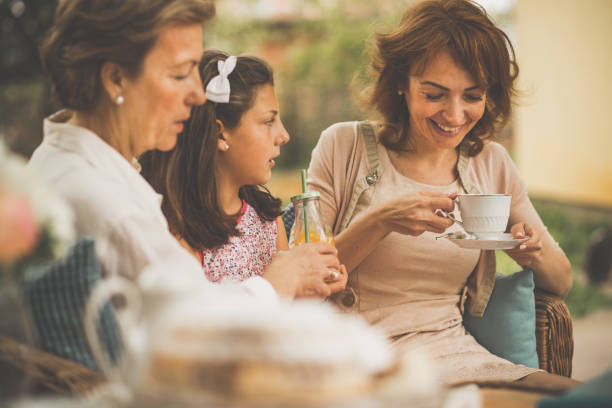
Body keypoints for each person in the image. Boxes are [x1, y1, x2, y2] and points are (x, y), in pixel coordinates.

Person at [307, 0, 577, 389]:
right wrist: (381, 220)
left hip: (454, 355)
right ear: (401, 81)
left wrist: (531, 253)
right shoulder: (344, 146)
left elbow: (562, 280)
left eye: (472, 96)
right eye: (434, 94)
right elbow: (305, 281)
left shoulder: (491, 163)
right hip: (357, 360)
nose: (454, 115)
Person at [29, 0, 346, 302]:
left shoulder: (74, 167)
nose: (198, 95)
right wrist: (277, 282)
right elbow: (190, 329)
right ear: (116, 79)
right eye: (180, 73)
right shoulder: (110, 207)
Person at [140, 51, 345, 286]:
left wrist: (310, 288)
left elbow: (288, 313)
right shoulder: (175, 229)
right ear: (220, 132)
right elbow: (196, 317)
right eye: (269, 121)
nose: (284, 136)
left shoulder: (265, 218)